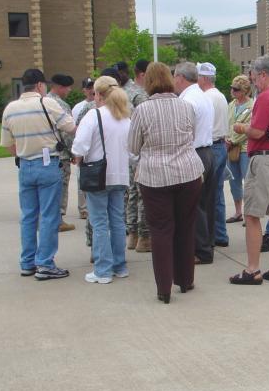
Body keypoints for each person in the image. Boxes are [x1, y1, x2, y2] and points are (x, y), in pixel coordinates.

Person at [129, 62, 203, 304]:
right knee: (185, 226)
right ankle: (185, 278)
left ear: (148, 82)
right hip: (188, 172)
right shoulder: (186, 106)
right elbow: (191, 136)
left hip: (155, 176)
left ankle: (164, 288)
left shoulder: (142, 110)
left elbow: (132, 147)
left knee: (161, 230)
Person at [0, 69, 76, 280]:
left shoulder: (11, 109)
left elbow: (7, 144)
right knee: (50, 216)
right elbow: (71, 128)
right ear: (40, 85)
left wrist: (24, 152)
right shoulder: (47, 103)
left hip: (25, 164)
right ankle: (45, 263)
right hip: (48, 163)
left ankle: (27, 262)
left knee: (28, 216)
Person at [229, 55, 269, 285]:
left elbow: (257, 132)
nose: (254, 81)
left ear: (263, 74)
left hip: (265, 160)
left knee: (252, 215)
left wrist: (241, 127)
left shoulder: (267, 97)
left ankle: (252, 269)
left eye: (255, 77)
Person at [71, 76, 130, 283]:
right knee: (117, 220)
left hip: (98, 175)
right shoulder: (125, 117)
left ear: (99, 94)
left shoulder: (93, 115)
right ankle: (119, 265)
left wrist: (77, 158)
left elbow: (80, 146)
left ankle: (103, 269)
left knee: (99, 223)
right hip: (120, 174)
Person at [173, 62, 215, 265]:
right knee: (204, 203)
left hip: (195, 153)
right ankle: (207, 243)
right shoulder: (201, 96)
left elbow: (185, 132)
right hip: (206, 151)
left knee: (193, 205)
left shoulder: (188, 100)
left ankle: (202, 250)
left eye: (174, 77)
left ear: (180, 77)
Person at [119, 60, 151, 254]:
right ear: (143, 74)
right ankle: (144, 237)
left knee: (131, 193)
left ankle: (133, 235)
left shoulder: (122, 93)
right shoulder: (139, 95)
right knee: (142, 195)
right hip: (139, 149)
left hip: (126, 149)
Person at [198, 62, 230, 247]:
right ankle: (220, 233)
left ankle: (210, 235)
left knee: (207, 195)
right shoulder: (220, 96)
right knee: (217, 194)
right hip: (221, 145)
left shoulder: (206, 98)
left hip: (210, 146)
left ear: (203, 78)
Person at [47, 73, 76, 232]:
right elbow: (67, 132)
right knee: (61, 186)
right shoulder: (61, 105)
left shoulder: (41, 101)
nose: (69, 90)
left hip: (45, 153)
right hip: (61, 154)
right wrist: (73, 152)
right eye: (67, 87)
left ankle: (47, 217)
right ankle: (58, 219)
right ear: (59, 87)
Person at [225, 75, 253, 223]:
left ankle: (249, 214)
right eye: (232, 88)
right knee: (233, 181)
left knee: (247, 181)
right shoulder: (230, 105)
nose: (232, 91)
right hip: (230, 148)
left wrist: (232, 140)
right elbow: (227, 124)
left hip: (245, 148)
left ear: (244, 91)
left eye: (236, 89)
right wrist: (226, 139)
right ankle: (238, 212)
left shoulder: (252, 106)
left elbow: (249, 128)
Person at [71, 77, 95, 220]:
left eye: (93, 87)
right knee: (82, 179)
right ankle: (83, 208)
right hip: (84, 147)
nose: (91, 90)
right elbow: (75, 128)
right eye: (88, 87)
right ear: (84, 90)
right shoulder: (79, 108)